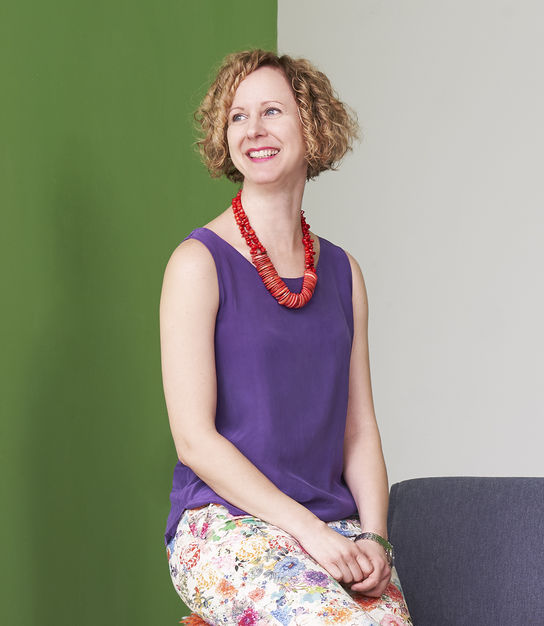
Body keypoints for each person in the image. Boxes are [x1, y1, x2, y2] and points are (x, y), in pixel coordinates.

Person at [160, 49, 412, 626]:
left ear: (312, 125)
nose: (253, 130)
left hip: (335, 526)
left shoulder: (344, 273)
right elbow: (194, 441)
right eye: (237, 117)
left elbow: (358, 428)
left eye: (272, 111)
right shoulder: (198, 264)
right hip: (225, 524)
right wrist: (309, 532)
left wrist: (375, 538)